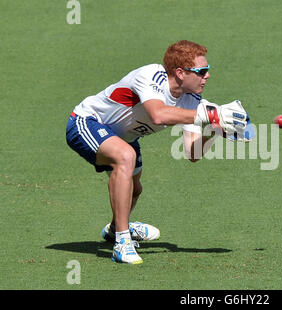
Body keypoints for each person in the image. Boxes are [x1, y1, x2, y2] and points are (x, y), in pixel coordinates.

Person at [66, 40, 248, 264]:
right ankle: (122, 243)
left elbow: (192, 152)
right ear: (180, 73)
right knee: (126, 157)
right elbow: (158, 115)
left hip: (124, 137)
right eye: (202, 71)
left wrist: (215, 130)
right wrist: (211, 115)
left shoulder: (191, 99)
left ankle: (115, 229)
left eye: (207, 70)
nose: (207, 76)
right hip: (86, 122)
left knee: (134, 189)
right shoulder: (152, 76)